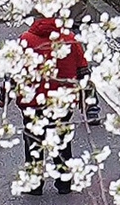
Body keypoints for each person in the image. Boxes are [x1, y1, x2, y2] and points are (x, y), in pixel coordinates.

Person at [13, 11, 88, 194]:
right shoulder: (69, 38)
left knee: (33, 140)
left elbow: (14, 72)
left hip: (32, 102)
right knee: (61, 138)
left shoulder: (25, 40)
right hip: (62, 100)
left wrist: (4, 96)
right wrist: (85, 98)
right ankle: (64, 182)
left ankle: (34, 183)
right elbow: (83, 71)